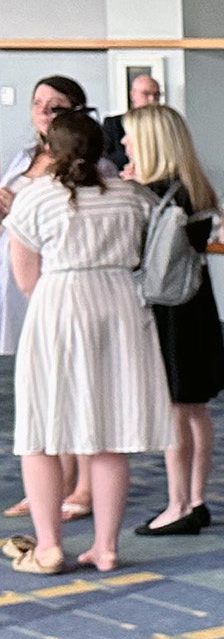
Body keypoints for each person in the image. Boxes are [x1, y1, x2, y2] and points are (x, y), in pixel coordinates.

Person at [0, 111, 173, 575]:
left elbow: (25, 279)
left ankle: (51, 545)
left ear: (50, 151)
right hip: (120, 306)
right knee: (109, 434)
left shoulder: (36, 198)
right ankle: (105, 548)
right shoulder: (132, 195)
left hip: (58, 304)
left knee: (41, 433)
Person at [1, 77, 123, 523]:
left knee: (83, 393)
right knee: (44, 396)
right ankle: (50, 487)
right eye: (37, 104)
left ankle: (85, 489)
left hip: (69, 289)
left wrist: (22, 209)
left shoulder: (96, 167)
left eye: (55, 107)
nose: (44, 113)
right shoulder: (22, 158)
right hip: (19, 285)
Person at [122, 104, 224, 537]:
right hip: (196, 302)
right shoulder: (194, 188)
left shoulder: (149, 195)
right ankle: (196, 499)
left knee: (174, 411)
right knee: (195, 408)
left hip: (167, 310)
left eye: (131, 137)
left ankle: (178, 504)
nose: (125, 144)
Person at [99, 71, 161, 171]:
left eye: (156, 95)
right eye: (146, 94)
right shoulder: (114, 124)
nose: (152, 99)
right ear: (133, 95)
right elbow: (106, 159)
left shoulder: (164, 125)